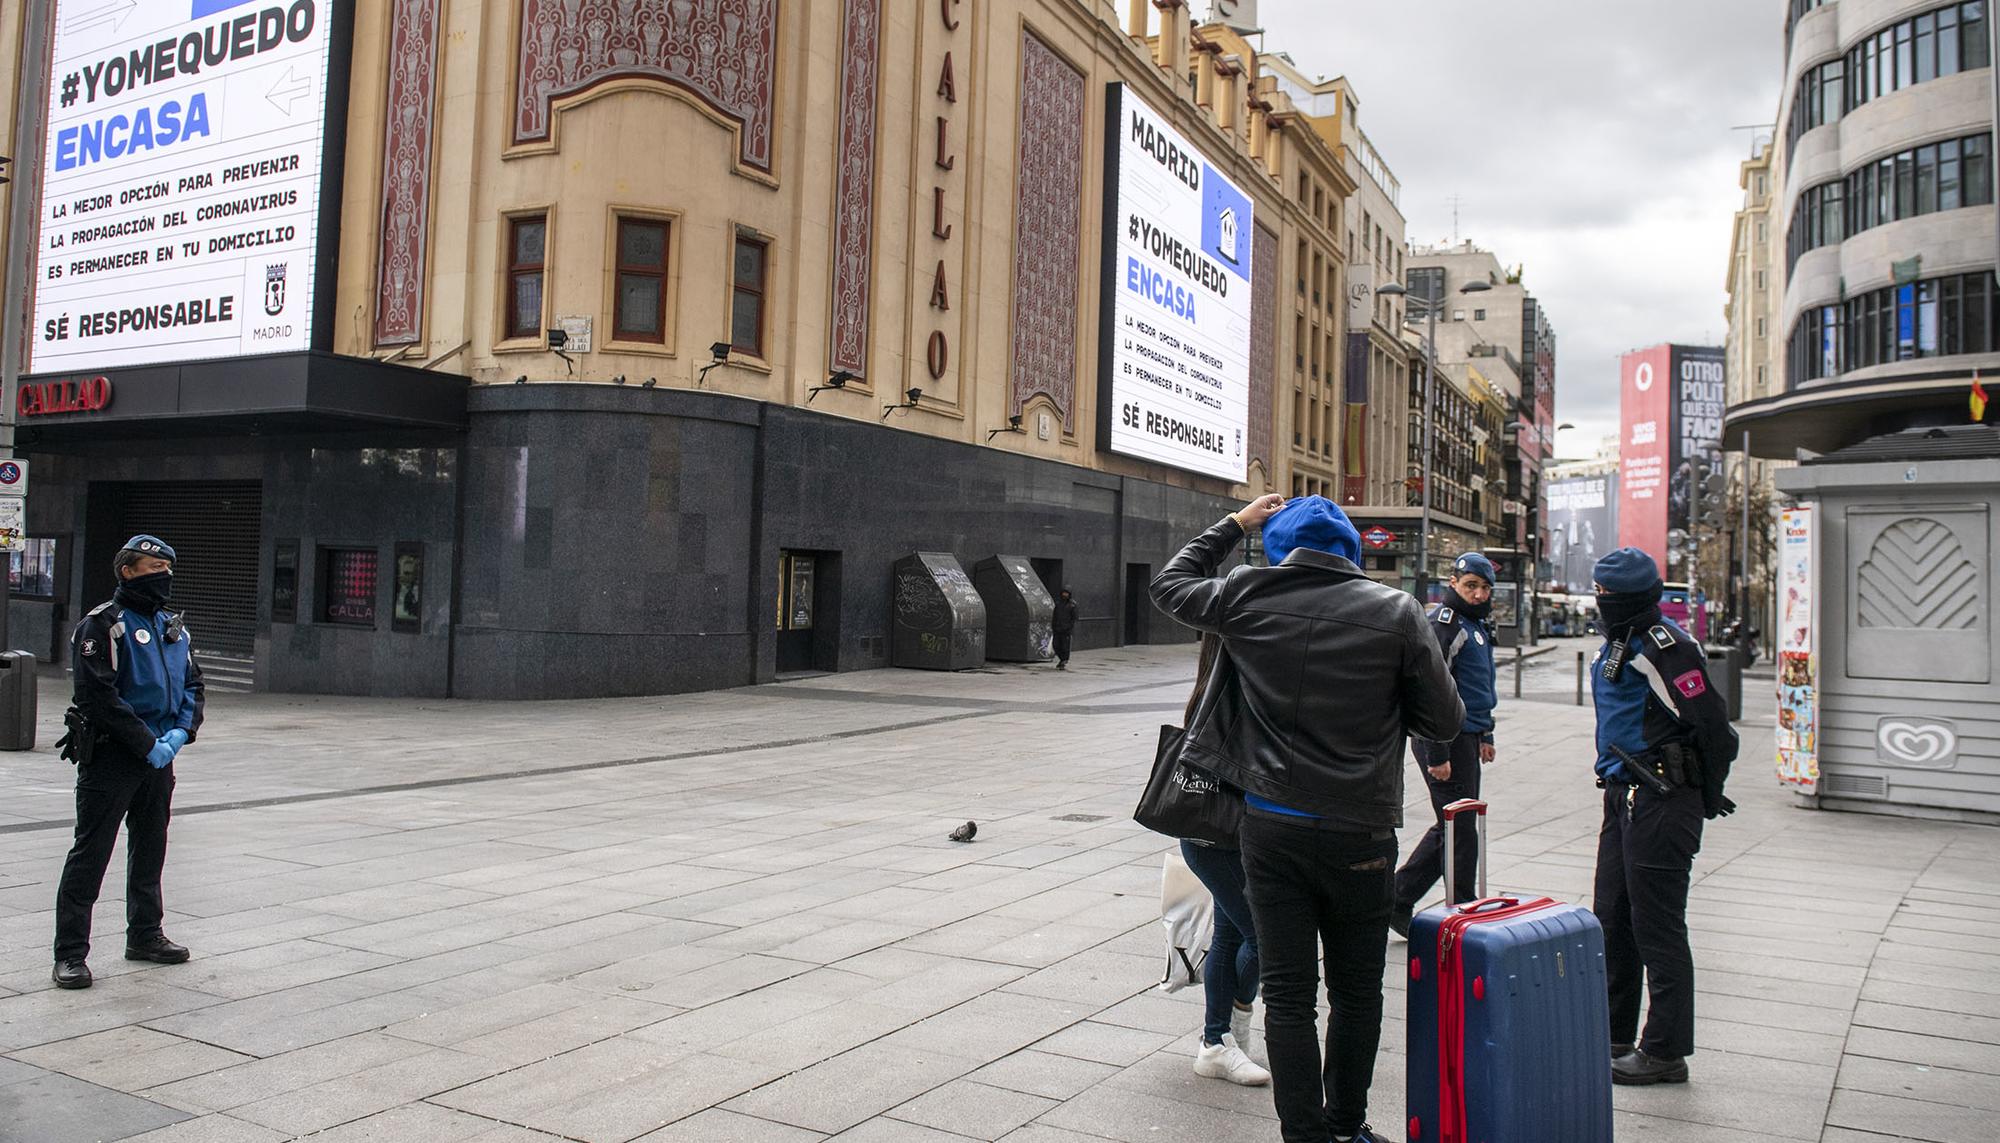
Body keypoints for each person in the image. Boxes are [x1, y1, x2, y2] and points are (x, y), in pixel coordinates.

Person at [1152, 494, 1463, 1143]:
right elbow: (1445, 720)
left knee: (1290, 993)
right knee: (1357, 992)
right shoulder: (1397, 611)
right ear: (1352, 550)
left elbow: (1170, 582)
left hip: (1271, 825)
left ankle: (1305, 1136)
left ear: (1279, 548)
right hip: (1363, 832)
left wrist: (1236, 523)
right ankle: (1347, 1127)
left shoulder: (1247, 594)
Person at [1588, 548, 1738, 1085]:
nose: (1599, 602)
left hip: (1661, 797)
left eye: (1606, 596)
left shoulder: (1666, 647)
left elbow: (1715, 728)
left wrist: (1705, 791)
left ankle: (1665, 1051)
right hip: (1623, 795)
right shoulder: (1621, 642)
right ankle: (1612, 1035)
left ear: (1624, 600)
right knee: (1613, 919)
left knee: (1657, 928)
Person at [52, 535, 206, 990]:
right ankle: (70, 954)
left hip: (160, 759)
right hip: (113, 757)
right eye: (152, 567)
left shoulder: (172, 628)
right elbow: (97, 694)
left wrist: (179, 733)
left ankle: (145, 935)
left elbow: (193, 685)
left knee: (150, 849)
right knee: (91, 853)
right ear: (127, 572)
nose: (163, 575)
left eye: (167, 567)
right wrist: (144, 742)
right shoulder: (103, 625)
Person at [1390, 552, 1499, 936]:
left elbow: (1479, 685)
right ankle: (1459, 908)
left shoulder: (1478, 625)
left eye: (1484, 588)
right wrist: (1437, 752)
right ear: (1452, 582)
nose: (1477, 593)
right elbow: (1428, 689)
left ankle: (1399, 899)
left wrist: (1485, 733)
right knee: (1458, 827)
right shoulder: (1445, 624)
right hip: (1443, 738)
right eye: (1470, 585)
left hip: (1466, 737)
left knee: (1455, 823)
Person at [1178, 634, 1269, 1087]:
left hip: (1222, 839)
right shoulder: (1225, 703)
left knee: (1233, 934)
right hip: (1216, 841)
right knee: (1264, 936)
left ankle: (1222, 1042)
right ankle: (1223, 1035)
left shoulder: (1214, 691)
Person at [1052, 587, 1078, 669]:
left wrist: (1069, 627)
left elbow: (1074, 618)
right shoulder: (1058, 603)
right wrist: (1053, 626)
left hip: (1066, 629)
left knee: (1065, 646)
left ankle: (1064, 660)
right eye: (1064, 593)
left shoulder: (1072, 605)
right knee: (1055, 645)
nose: (1065, 595)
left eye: (1066, 593)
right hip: (1057, 628)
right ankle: (1062, 659)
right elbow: (1055, 615)